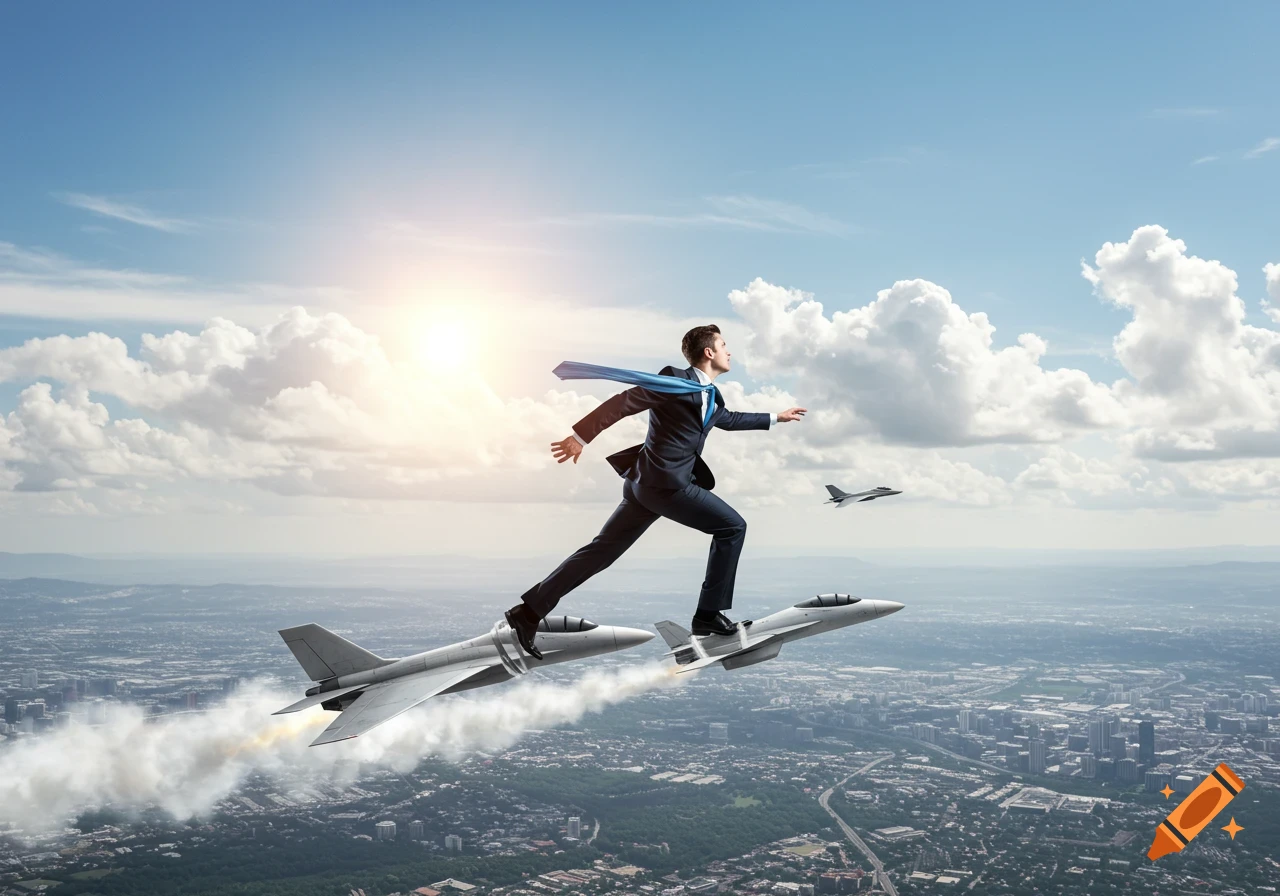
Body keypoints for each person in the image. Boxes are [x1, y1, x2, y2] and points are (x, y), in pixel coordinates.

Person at [504, 324, 806, 658]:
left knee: (601, 551)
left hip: (645, 485)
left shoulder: (710, 395)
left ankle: (528, 613)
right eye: (724, 345)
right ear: (709, 353)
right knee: (733, 527)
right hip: (665, 485)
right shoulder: (673, 380)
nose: (729, 351)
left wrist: (776, 417)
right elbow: (624, 402)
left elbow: (729, 419)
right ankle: (707, 616)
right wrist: (580, 437)